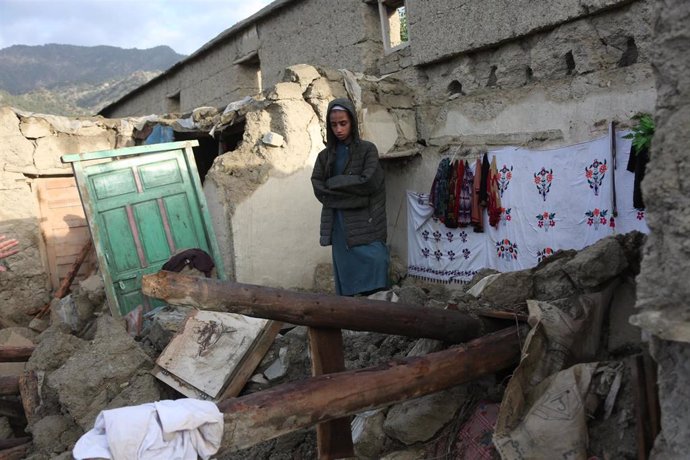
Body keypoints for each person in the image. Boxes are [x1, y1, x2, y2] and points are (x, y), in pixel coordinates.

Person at [311, 98, 389, 296]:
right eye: (334, 124)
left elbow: (368, 182)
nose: (338, 129)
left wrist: (334, 183)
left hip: (366, 218)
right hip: (339, 222)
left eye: (343, 123)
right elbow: (319, 187)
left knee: (376, 258)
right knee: (347, 272)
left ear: (352, 122)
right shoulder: (324, 157)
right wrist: (351, 193)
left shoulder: (367, 150)